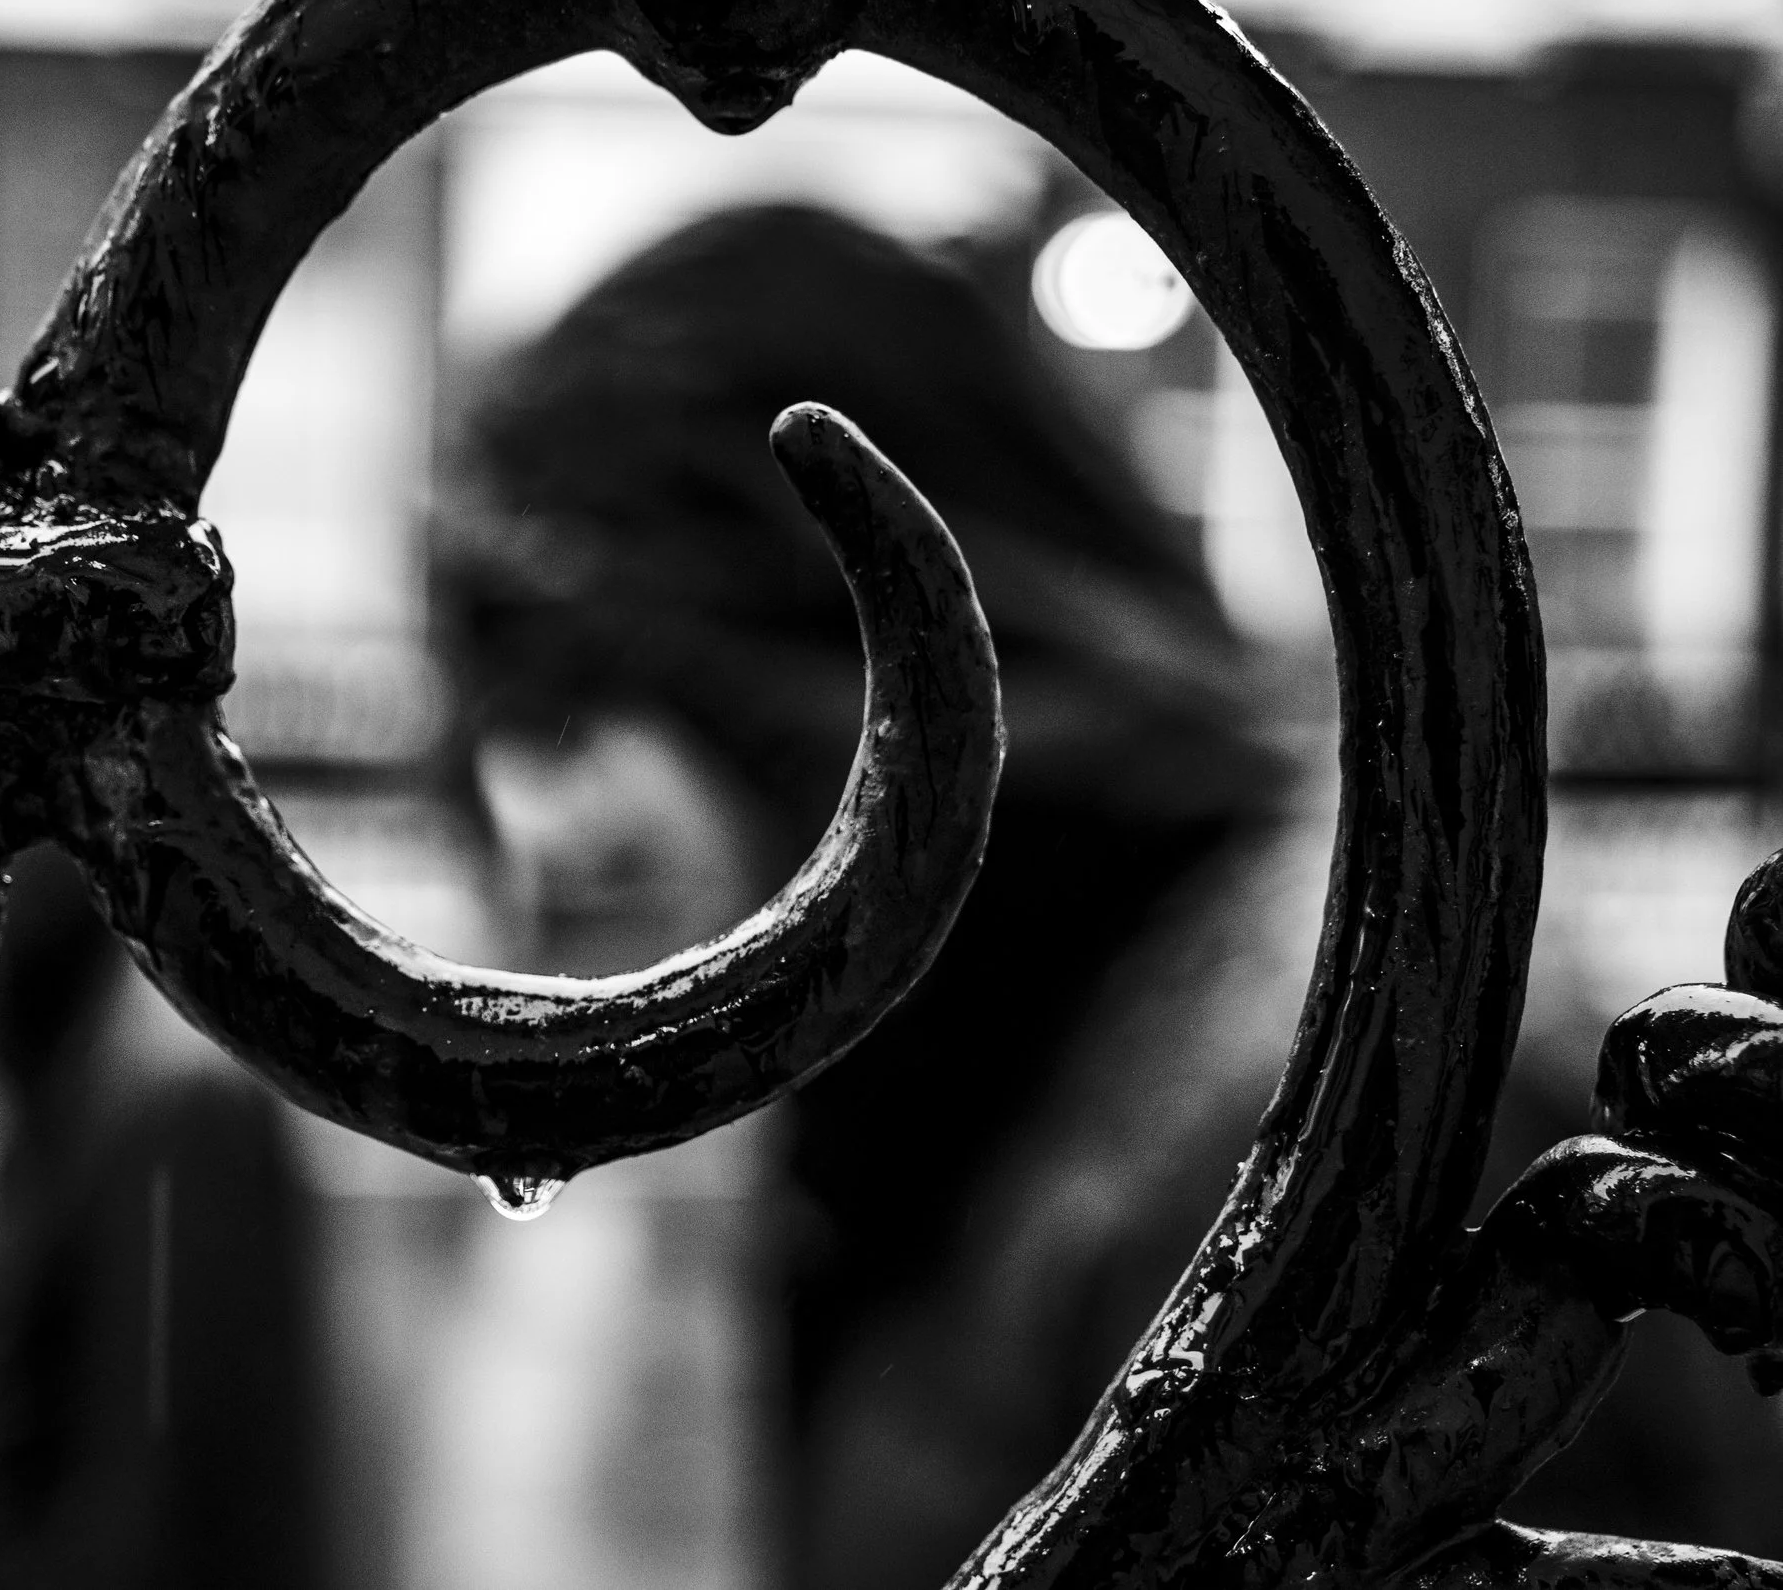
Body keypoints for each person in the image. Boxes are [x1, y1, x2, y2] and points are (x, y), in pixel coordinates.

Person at [434, 201, 1783, 1587]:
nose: (542, 815)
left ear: (830, 657)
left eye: (581, 697)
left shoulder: (1341, 1104)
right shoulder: (1004, 1053)